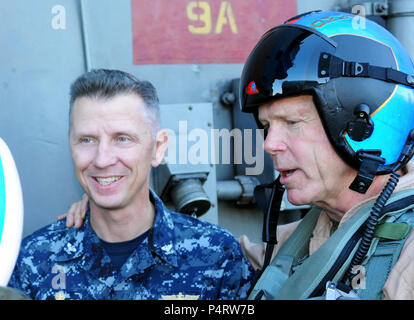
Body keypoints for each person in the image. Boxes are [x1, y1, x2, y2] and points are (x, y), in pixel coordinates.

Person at [57, 11, 414, 300]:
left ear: (364, 124)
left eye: (292, 122)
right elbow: (207, 258)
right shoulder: (300, 237)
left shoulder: (412, 251)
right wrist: (108, 208)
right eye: (266, 126)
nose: (269, 144)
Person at [8, 69, 254, 300]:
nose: (102, 159)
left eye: (122, 139)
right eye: (86, 140)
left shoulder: (217, 257)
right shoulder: (34, 260)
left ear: (158, 148)